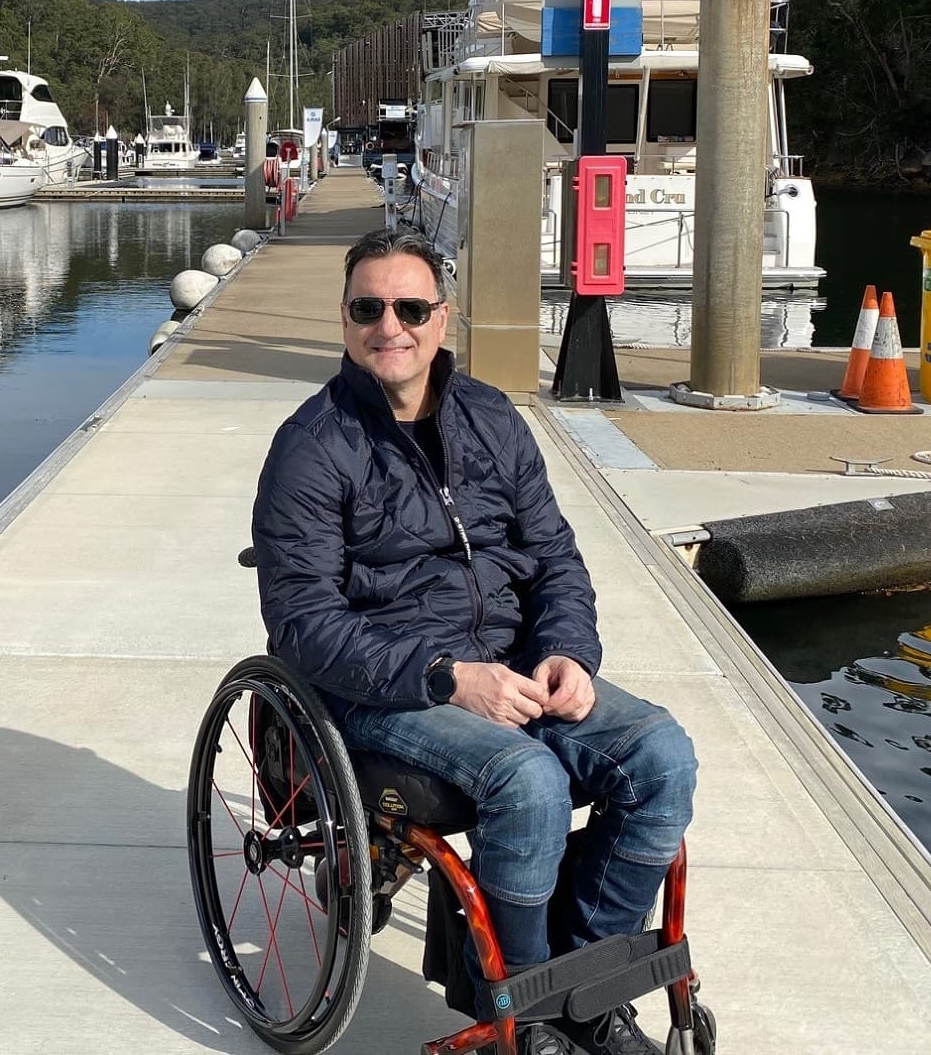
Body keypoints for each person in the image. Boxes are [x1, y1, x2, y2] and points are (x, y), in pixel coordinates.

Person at [252, 226, 697, 1055]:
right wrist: (449, 676)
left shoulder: (492, 418)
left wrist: (569, 651)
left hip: (517, 663)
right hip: (388, 688)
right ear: (345, 321)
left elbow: (556, 555)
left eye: (411, 306)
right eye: (369, 307)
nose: (392, 324)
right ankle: (524, 1024)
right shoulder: (311, 448)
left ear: (442, 320)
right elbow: (303, 623)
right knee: (525, 780)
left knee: (661, 755)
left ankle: (584, 990)